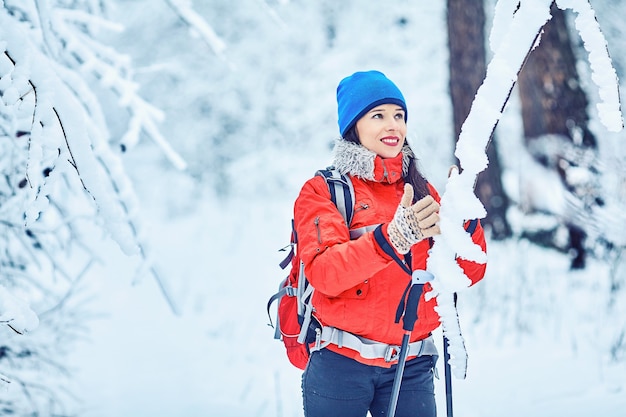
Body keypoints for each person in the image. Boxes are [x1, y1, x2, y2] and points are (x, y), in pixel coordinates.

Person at [293, 70, 487, 417]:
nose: (392, 125)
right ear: (354, 125)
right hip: (340, 364)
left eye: (399, 116)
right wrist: (392, 238)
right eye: (378, 115)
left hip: (410, 364)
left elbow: (467, 273)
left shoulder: (423, 191)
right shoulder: (325, 192)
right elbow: (324, 272)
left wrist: (465, 221)